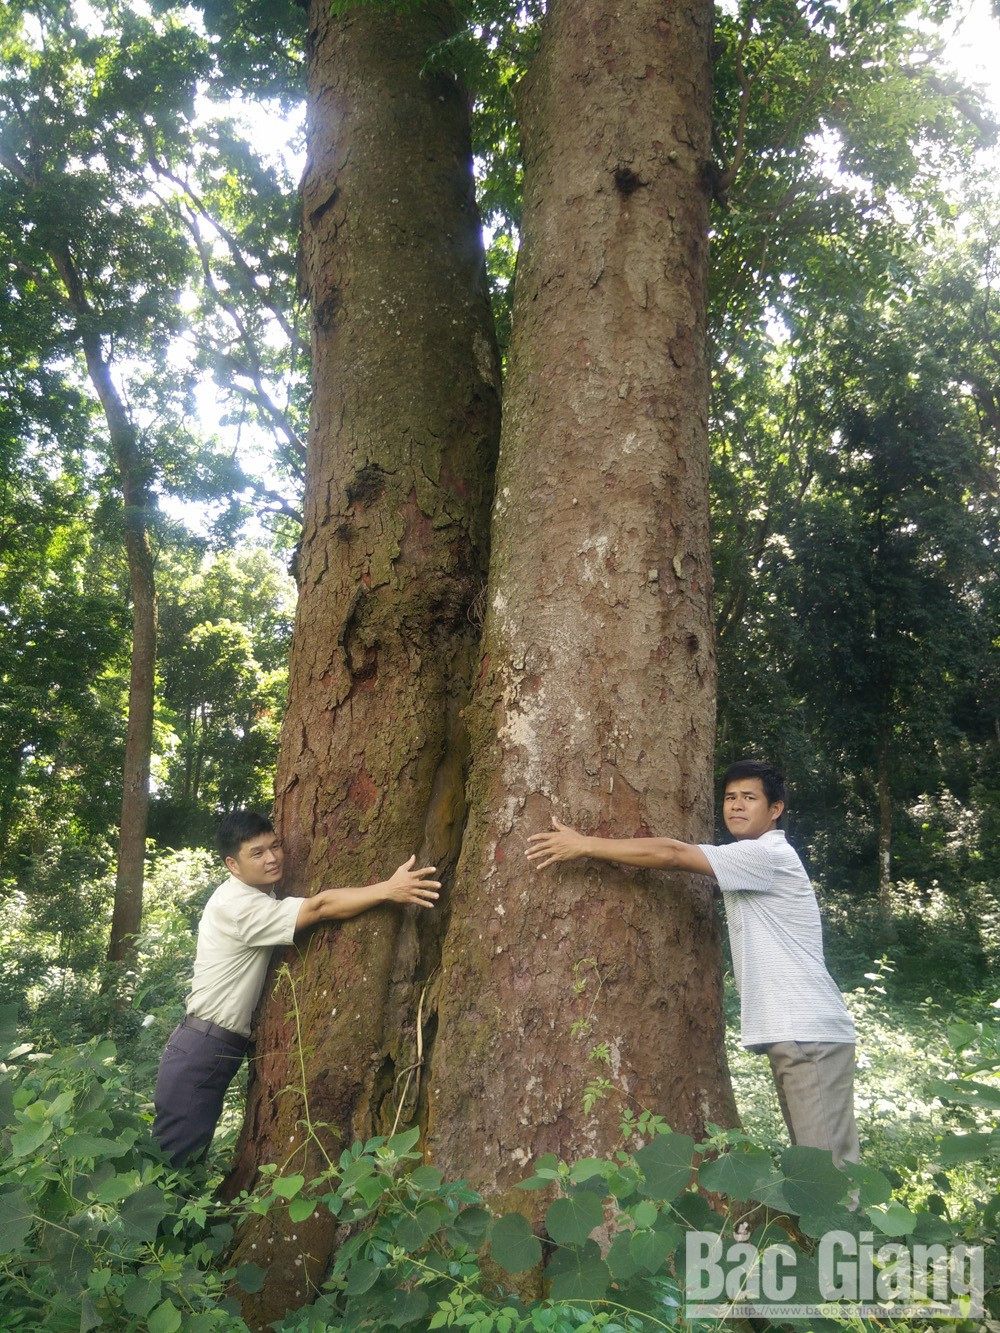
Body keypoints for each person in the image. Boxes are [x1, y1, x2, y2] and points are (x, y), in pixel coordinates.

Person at [526, 759, 860, 1167]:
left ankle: (848, 1213)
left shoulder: (764, 855)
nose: (736, 806)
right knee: (814, 1166)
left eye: (749, 798)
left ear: (775, 809)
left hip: (809, 1033)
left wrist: (585, 845)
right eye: (730, 798)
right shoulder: (752, 863)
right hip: (799, 1034)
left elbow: (672, 854)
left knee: (831, 1172)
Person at [152, 810, 440, 1166]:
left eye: (275, 846)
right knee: (172, 1164)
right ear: (233, 865)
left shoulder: (250, 895)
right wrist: (387, 890)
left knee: (184, 1159)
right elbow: (319, 908)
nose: (272, 858)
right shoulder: (238, 906)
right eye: (257, 853)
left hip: (208, 1045)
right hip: (202, 1049)